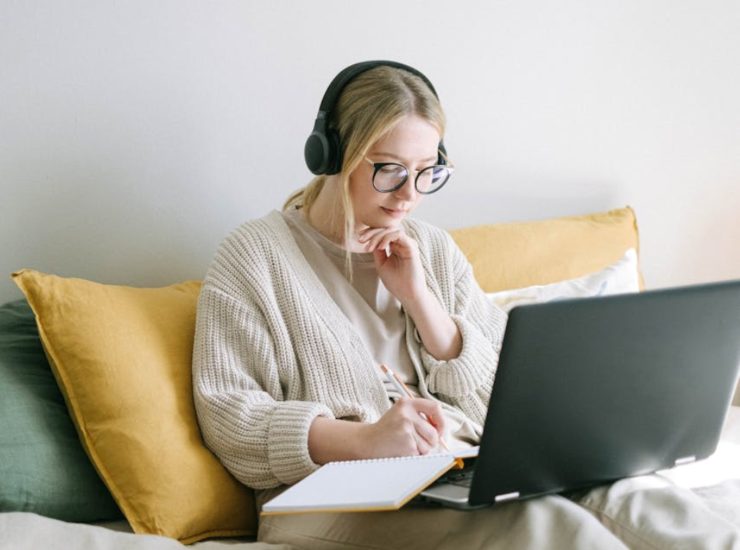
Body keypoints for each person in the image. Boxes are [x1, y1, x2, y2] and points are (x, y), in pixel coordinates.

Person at [192, 61, 739, 549]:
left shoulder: (430, 248)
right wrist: (364, 440)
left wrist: (422, 302)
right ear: (332, 156)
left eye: (427, 171)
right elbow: (230, 417)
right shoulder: (254, 257)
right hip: (325, 499)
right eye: (389, 168)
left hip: (458, 470)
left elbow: (505, 392)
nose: (409, 194)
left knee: (644, 502)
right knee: (549, 527)